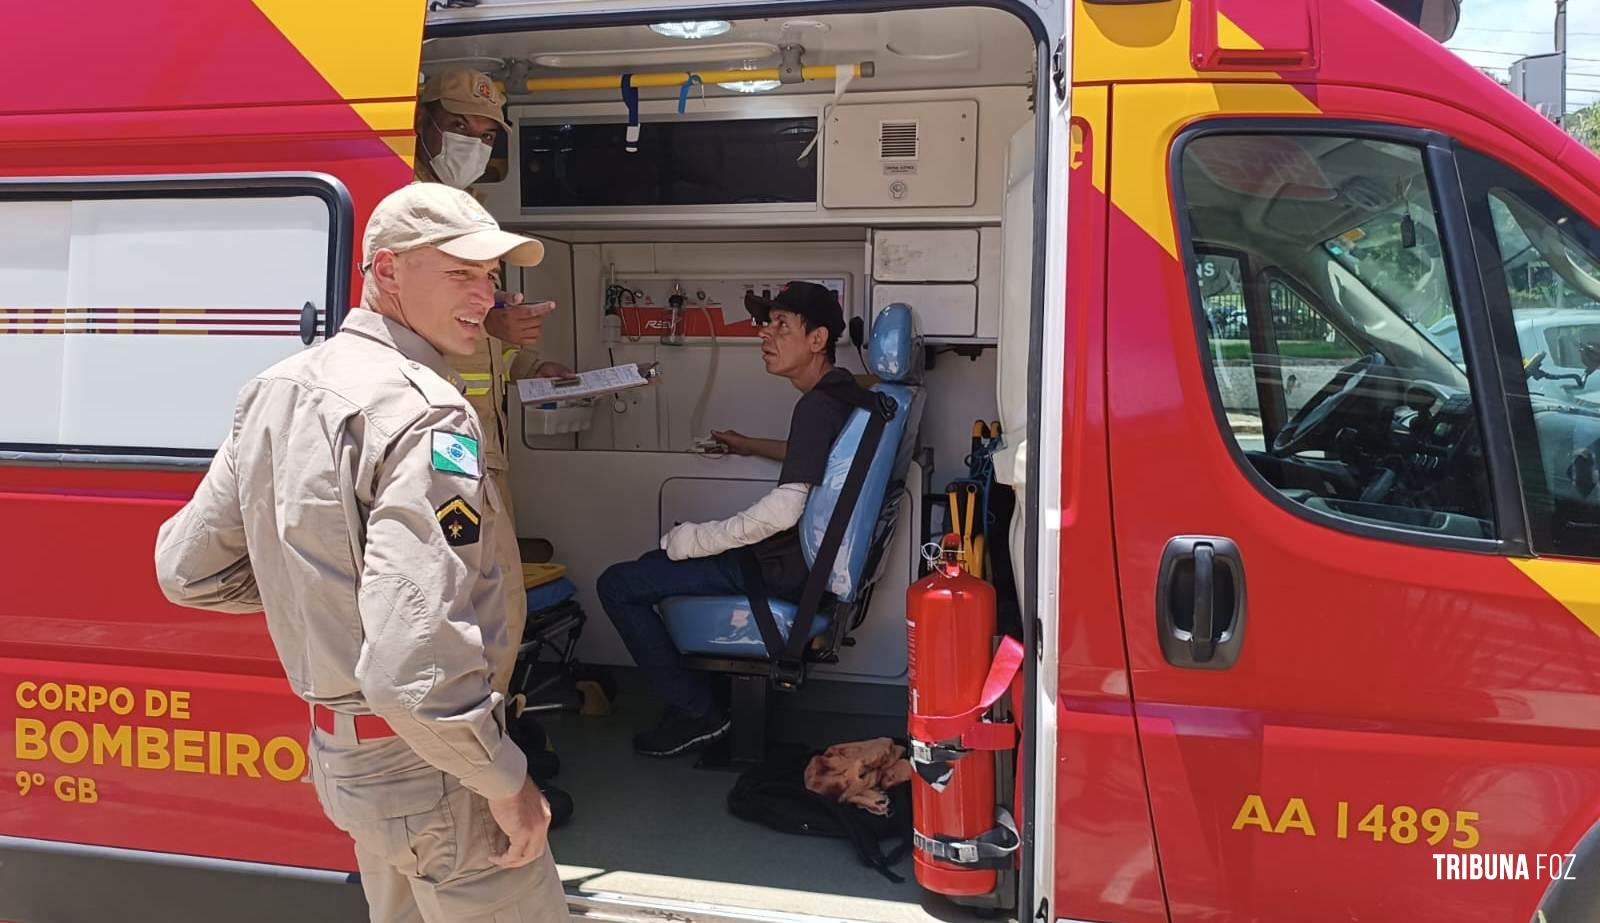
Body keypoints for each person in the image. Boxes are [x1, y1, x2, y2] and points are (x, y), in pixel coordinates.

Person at [154, 183, 569, 923]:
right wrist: (507, 782)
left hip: (349, 760)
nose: (485, 297)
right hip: (434, 766)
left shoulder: (276, 387)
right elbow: (415, 667)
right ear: (384, 271)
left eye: (491, 277)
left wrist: (326, 594)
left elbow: (188, 568)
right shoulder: (426, 413)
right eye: (460, 275)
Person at [597, 282, 856, 757]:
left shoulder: (818, 405)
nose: (766, 334)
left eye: (782, 325)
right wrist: (749, 444)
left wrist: (696, 539)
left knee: (619, 583)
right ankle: (701, 695)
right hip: (800, 563)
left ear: (818, 340)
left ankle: (700, 713)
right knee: (650, 565)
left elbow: (784, 509)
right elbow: (815, 460)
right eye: (766, 323)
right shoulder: (844, 396)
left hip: (781, 568)